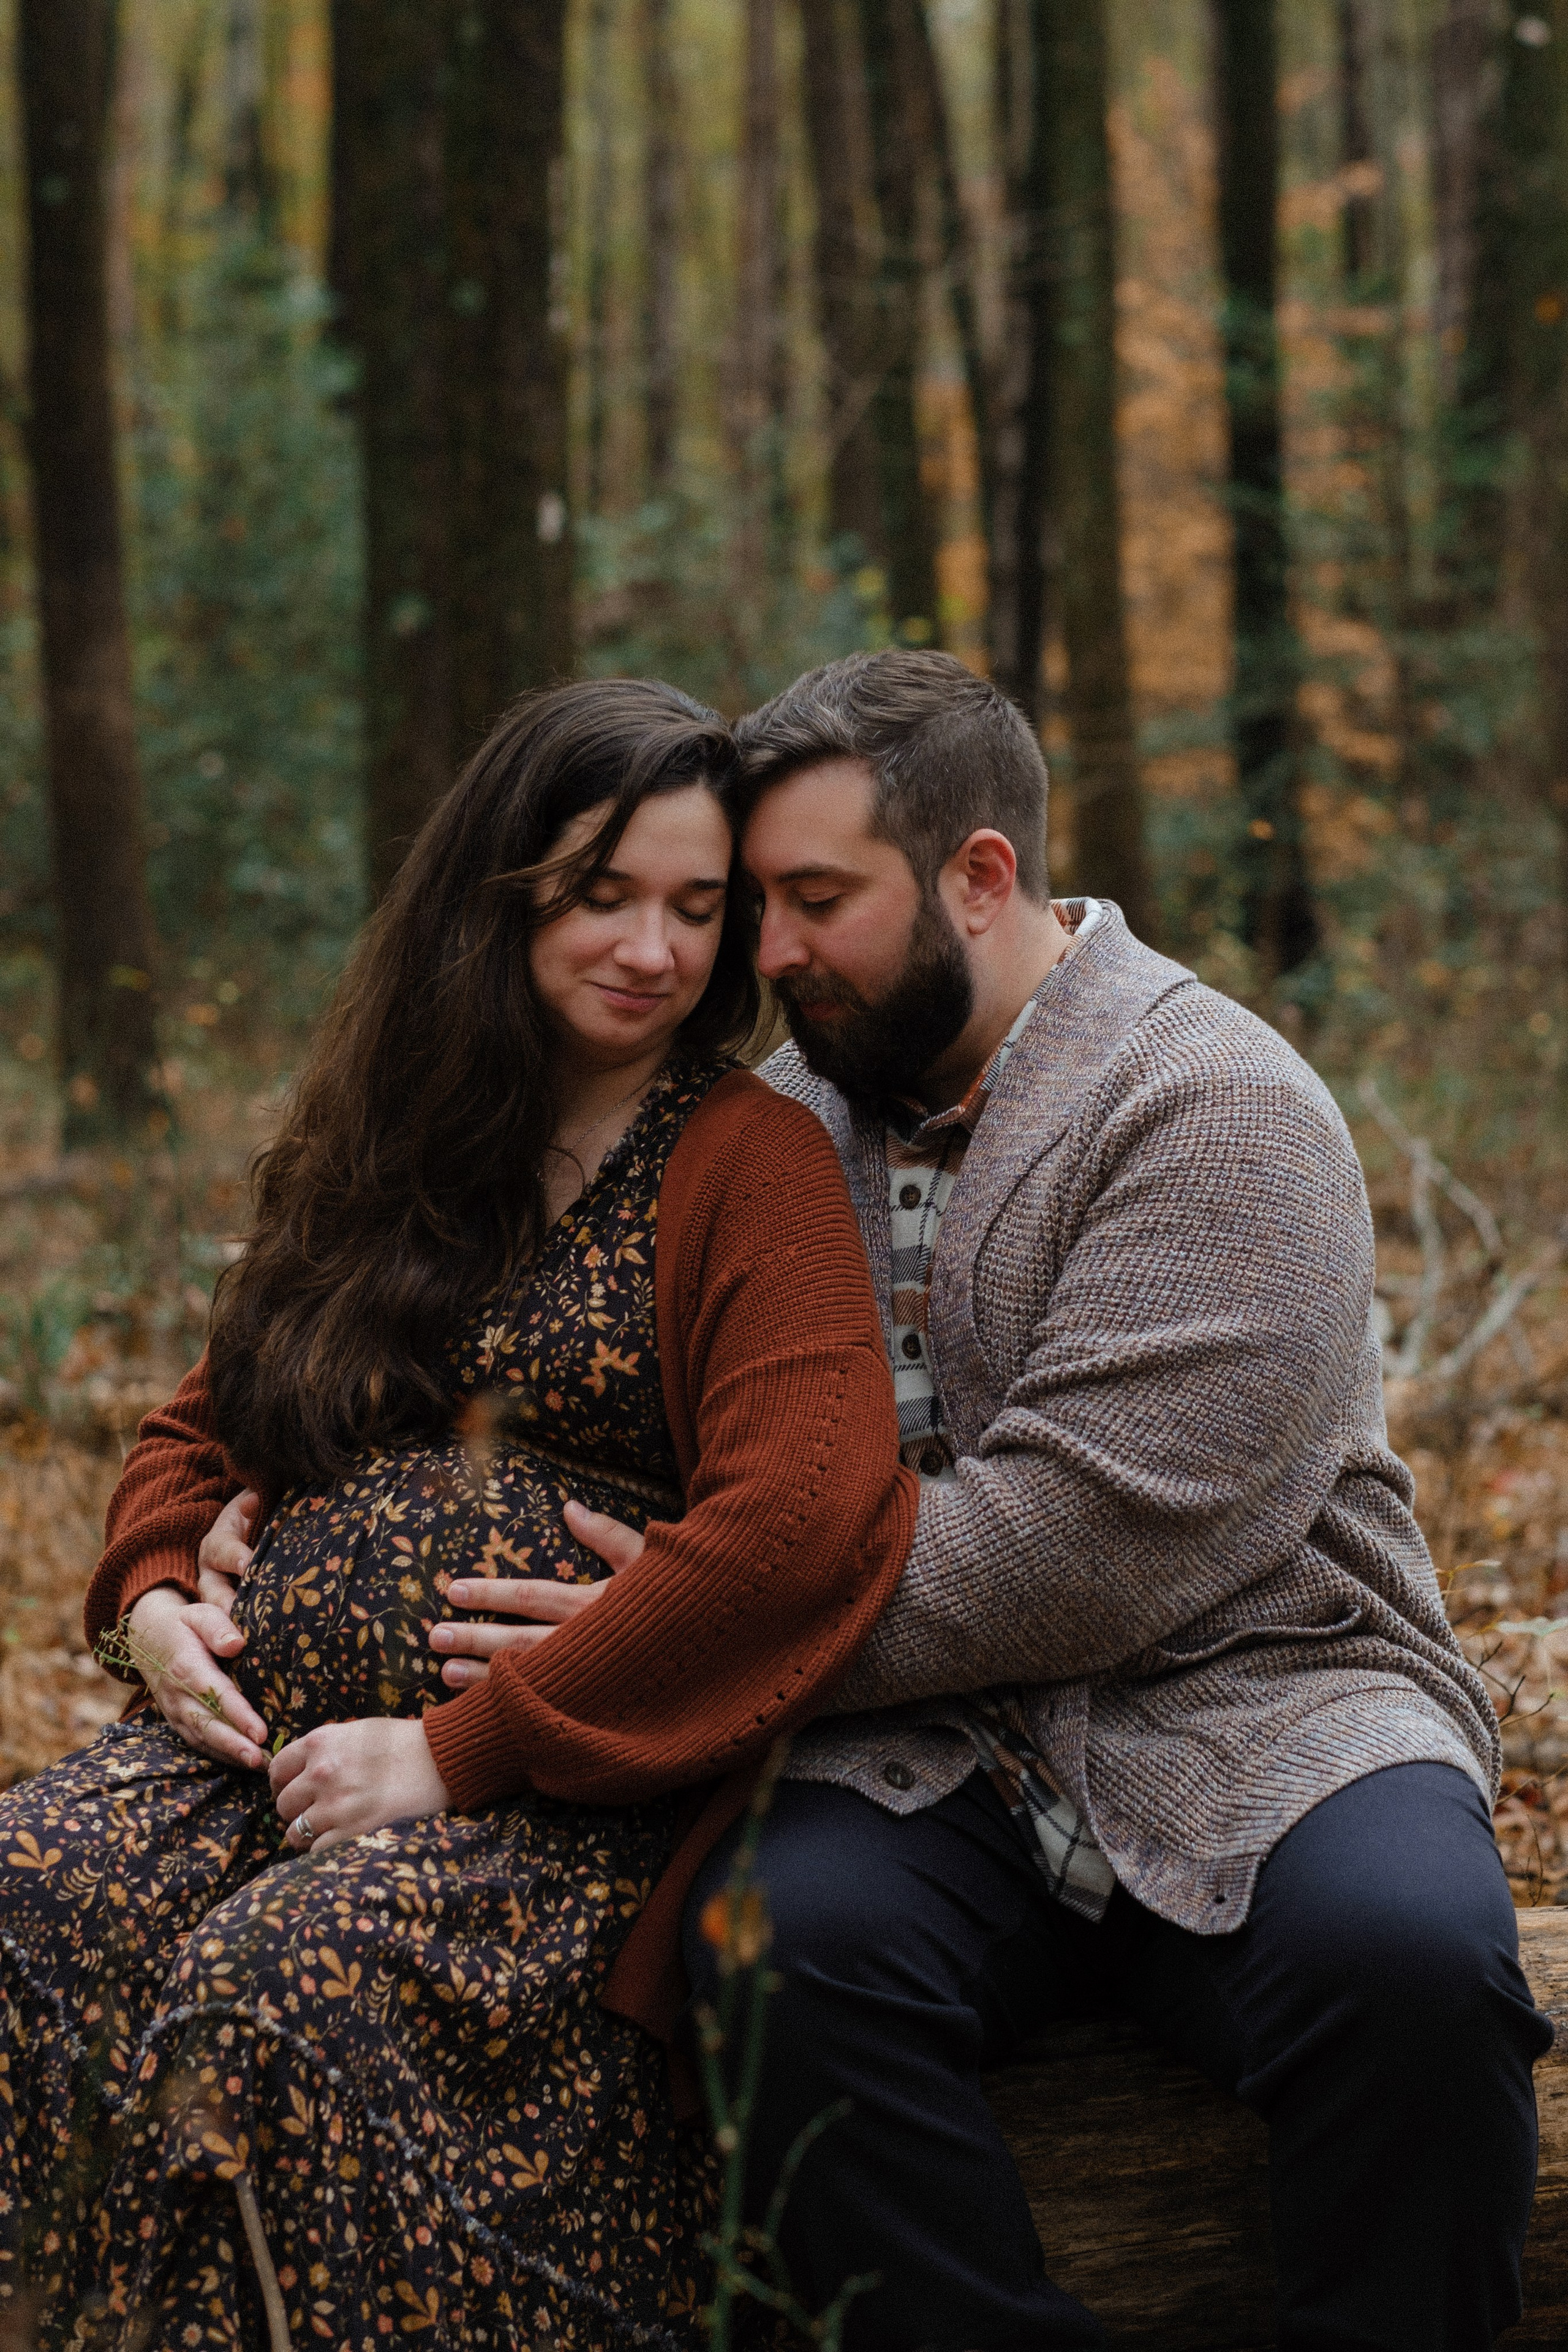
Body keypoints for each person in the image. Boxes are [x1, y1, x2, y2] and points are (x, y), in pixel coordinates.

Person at [431, 650, 1548, 2352]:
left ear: (980, 875)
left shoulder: (1219, 1107)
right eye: (766, 906)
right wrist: (246, 1509)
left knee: (1414, 1966)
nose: (768, 955)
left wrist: (683, 1639)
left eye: (816, 901)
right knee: (774, 1957)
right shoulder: (784, 1111)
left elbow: (1072, 1551)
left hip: (1257, 1693)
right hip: (921, 1755)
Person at [0, 678, 916, 2352]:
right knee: (24, 1903)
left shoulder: (742, 1157)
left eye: (698, 910)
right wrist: (148, 1588)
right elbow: (193, 1430)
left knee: (277, 1995)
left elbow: (806, 1508)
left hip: (556, 1802)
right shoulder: (401, 1138)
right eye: (602, 893)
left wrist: (462, 1747)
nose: (654, 948)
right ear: (500, 890)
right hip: (258, 1752)